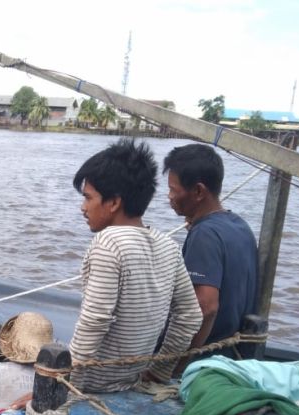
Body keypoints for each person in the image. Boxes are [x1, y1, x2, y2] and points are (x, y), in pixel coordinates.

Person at [69, 138, 202, 392]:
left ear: (114, 202)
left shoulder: (108, 243)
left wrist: (60, 381)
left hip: (92, 386)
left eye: (88, 198)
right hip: (131, 382)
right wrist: (159, 371)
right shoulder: (168, 245)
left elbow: (95, 321)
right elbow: (190, 316)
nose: (83, 207)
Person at [162, 143, 259, 360]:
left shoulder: (205, 234)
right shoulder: (238, 225)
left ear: (198, 191)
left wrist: (174, 365)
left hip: (207, 360)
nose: (169, 197)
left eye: (173, 189)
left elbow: (205, 308)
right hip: (233, 354)